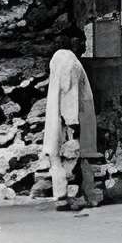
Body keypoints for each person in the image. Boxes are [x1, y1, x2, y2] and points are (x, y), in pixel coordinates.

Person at [44, 43, 98, 212]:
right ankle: (74, 196)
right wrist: (72, 124)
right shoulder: (69, 63)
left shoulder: (60, 61)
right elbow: (70, 95)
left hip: (60, 119)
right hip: (70, 120)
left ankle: (63, 196)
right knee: (73, 157)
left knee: (60, 158)